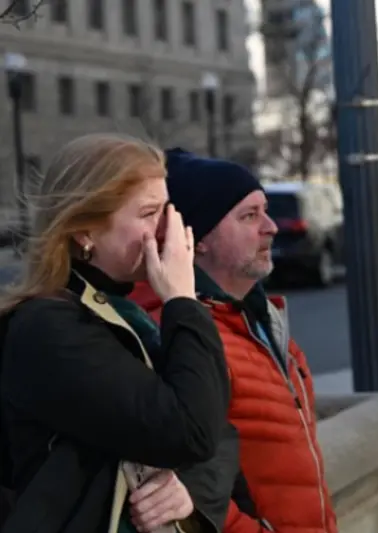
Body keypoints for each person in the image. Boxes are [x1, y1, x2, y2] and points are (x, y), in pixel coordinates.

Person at [0, 133, 237, 533]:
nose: (167, 230)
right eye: (149, 213)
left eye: (167, 210)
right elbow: (191, 431)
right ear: (85, 231)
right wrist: (182, 299)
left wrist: (189, 493)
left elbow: (219, 429)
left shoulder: (124, 312)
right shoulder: (48, 327)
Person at [130, 148, 338, 533]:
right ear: (196, 238)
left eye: (265, 211)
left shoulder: (260, 317)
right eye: (249, 216)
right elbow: (186, 488)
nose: (271, 227)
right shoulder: (175, 330)